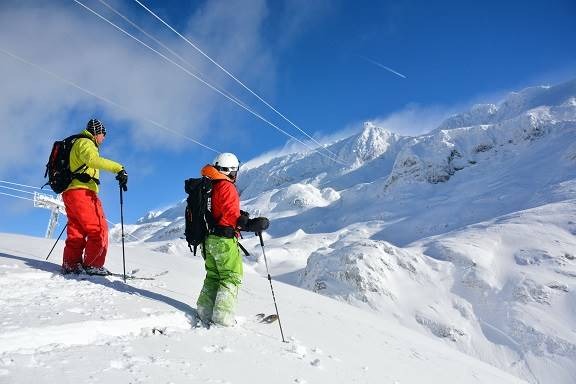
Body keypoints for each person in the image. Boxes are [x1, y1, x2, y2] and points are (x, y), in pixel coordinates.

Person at [61, 118, 128, 275]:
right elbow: (92, 160)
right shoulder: (86, 143)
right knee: (98, 229)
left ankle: (71, 263)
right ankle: (93, 264)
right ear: (97, 132)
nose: (103, 138)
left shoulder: (77, 143)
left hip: (71, 192)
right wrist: (119, 168)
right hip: (83, 193)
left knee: (76, 231)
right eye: (103, 134)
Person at [195, 152, 245, 327]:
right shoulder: (226, 186)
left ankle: (204, 311)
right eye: (235, 171)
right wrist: (249, 223)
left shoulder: (209, 185)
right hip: (223, 240)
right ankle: (222, 318)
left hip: (208, 240)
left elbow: (215, 211)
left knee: (214, 276)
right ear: (229, 170)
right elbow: (231, 216)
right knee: (231, 276)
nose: (235, 174)